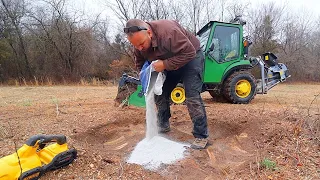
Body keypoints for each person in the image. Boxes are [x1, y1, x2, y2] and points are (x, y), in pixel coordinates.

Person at [124, 19, 208, 149]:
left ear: (149, 33)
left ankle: (201, 135)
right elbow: (140, 64)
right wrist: (145, 77)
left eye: (141, 44)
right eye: (136, 45)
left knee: (191, 95)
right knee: (160, 91)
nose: (139, 48)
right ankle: (163, 123)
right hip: (170, 62)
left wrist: (164, 64)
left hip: (191, 57)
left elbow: (189, 52)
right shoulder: (139, 46)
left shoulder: (169, 32)